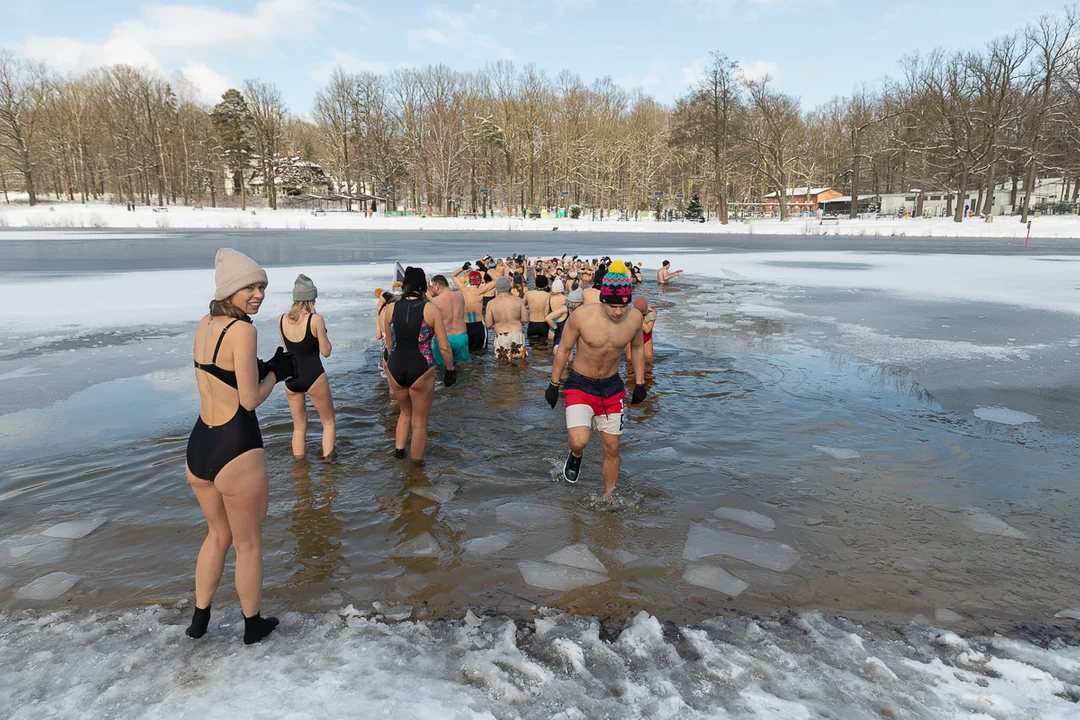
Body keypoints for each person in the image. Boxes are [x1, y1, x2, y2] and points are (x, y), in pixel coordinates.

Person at [185, 248, 294, 645]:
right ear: (230, 289)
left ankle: (199, 620)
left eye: (262, 286)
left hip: (200, 446)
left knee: (217, 535)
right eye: (249, 286)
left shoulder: (204, 323)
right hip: (237, 446)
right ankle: (253, 624)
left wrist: (263, 366)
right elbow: (249, 399)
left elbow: (222, 374)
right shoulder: (244, 330)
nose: (258, 294)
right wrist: (278, 373)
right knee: (247, 545)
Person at [545, 261, 646, 499]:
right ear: (602, 299)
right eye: (612, 306)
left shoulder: (633, 319)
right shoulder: (581, 316)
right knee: (579, 441)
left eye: (623, 306)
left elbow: (639, 348)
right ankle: (576, 455)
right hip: (580, 384)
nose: (618, 312)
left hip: (611, 387)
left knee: (612, 447)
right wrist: (553, 383)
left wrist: (640, 383)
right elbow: (564, 349)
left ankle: (609, 497)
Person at [381, 267, 456, 462]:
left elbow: (388, 343)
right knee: (420, 424)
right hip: (421, 367)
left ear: (404, 286)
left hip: (396, 365)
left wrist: (391, 365)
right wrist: (450, 370)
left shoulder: (390, 308)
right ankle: (416, 470)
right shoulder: (430, 309)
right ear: (423, 286)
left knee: (404, 413)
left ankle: (398, 455)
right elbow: (444, 346)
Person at [279, 274, 336, 459]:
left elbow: (288, 350)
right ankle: (329, 468)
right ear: (311, 298)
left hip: (291, 377)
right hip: (313, 374)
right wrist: (324, 335)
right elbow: (326, 351)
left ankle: (300, 469)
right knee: (328, 423)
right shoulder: (315, 319)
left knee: (298, 427)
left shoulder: (281, 319)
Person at [428, 274, 470, 369]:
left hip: (445, 338)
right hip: (461, 336)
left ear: (437, 287)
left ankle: (447, 383)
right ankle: (465, 383)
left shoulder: (435, 301)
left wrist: (428, 293)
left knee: (444, 367)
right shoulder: (460, 295)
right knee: (464, 366)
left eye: (433, 288)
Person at [486, 275, 528, 362]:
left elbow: (488, 324)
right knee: (520, 363)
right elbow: (525, 319)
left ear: (497, 288)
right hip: (517, 334)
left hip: (501, 336)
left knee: (503, 365)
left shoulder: (491, 303)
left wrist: (495, 326)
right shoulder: (518, 300)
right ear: (509, 287)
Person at [625, 296, 656, 364]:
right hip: (632, 339)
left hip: (646, 339)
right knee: (630, 362)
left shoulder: (651, 313)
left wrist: (638, 317)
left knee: (648, 362)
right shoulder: (629, 313)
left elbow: (647, 330)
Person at [525, 275, 551, 341]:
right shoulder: (548, 295)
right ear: (546, 284)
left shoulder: (528, 294)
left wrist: (530, 305)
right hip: (543, 324)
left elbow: (521, 305)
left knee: (532, 347)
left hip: (532, 323)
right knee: (544, 347)